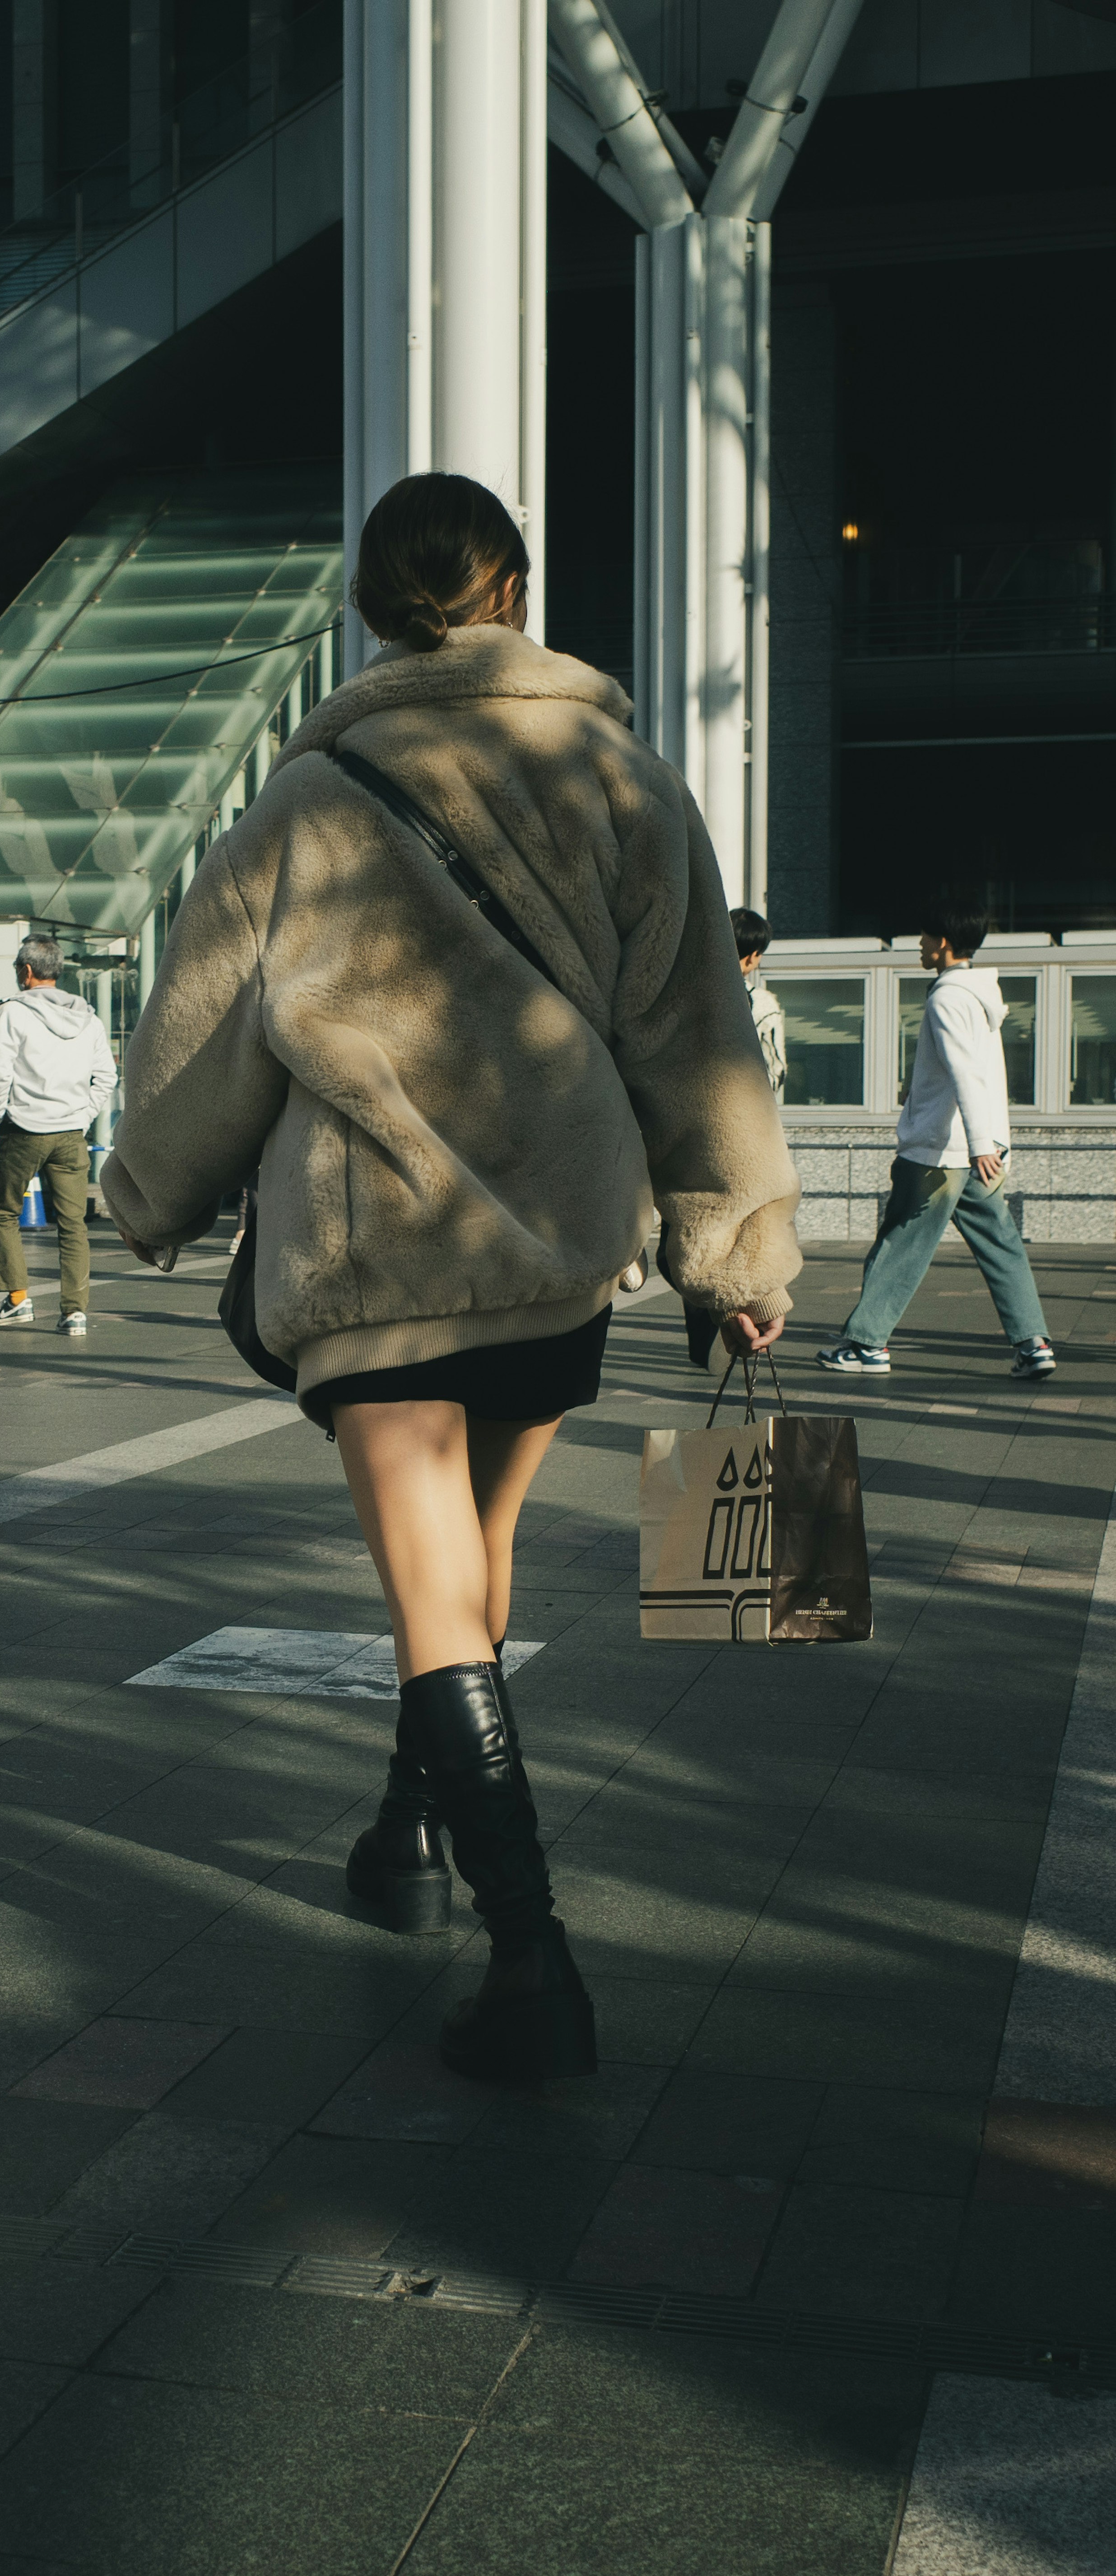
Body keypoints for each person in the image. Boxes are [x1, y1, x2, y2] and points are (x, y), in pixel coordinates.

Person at [102, 471, 798, 2085]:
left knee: (433, 1597)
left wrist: (153, 1189)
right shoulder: (615, 772)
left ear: (369, 605)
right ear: (517, 590)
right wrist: (733, 1246)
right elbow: (694, 1030)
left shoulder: (310, 794)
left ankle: (533, 1955)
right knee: (473, 1569)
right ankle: (403, 1825)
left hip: (373, 1250)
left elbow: (208, 1025)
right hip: (558, 1244)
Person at [818, 902, 1055, 1380]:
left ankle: (867, 1345)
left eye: (925, 937)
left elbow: (964, 1074)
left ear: (943, 943)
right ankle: (1033, 1344)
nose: (920, 945)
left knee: (899, 1243)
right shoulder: (980, 995)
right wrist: (988, 1143)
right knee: (1001, 1243)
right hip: (976, 1151)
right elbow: (978, 1076)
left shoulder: (947, 998)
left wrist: (978, 1143)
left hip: (941, 1153)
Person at [0, 937, 116, 1337]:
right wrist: (83, 1115)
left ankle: (18, 1300)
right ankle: (75, 1312)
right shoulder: (88, 1016)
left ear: (27, 972)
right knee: (73, 1224)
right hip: (71, 1132)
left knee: (4, 1213)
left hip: (25, 1129)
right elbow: (107, 1076)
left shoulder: (13, 1014)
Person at [682, 907, 786, 1368]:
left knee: (695, 1233)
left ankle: (709, 1335)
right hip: (743, 1133)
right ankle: (733, 1315)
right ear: (754, 957)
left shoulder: (691, 995)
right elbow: (775, 1071)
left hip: (692, 1133)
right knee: (733, 1226)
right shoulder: (760, 1005)